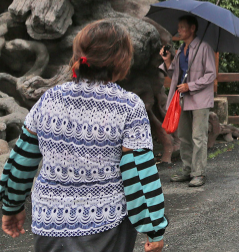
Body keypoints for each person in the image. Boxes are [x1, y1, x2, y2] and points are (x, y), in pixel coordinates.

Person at [0, 20, 168, 252]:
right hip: (105, 227)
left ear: (79, 55)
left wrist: (11, 205)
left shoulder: (49, 100)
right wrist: (154, 228)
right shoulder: (128, 106)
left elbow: (22, 159)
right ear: (122, 61)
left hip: (49, 225)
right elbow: (138, 173)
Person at [161, 14, 216, 187]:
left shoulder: (204, 47)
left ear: (192, 29)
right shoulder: (180, 50)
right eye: (179, 27)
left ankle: (199, 173)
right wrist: (168, 60)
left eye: (183, 27)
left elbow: (211, 74)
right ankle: (187, 169)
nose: (179, 30)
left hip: (199, 99)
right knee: (184, 136)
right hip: (183, 99)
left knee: (198, 137)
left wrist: (190, 86)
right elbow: (176, 74)